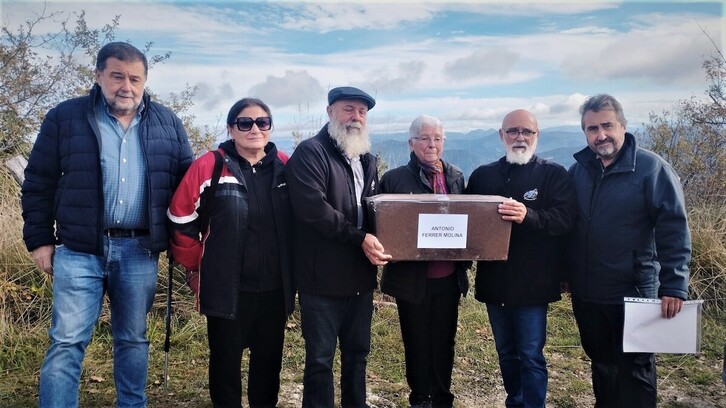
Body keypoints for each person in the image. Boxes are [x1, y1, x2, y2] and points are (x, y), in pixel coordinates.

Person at [21, 42, 194, 407]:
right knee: (67, 341)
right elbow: (39, 180)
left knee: (133, 338)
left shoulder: (167, 122)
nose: (125, 86)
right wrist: (39, 240)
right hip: (79, 249)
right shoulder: (64, 117)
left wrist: (186, 242)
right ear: (99, 75)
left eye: (135, 78)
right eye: (117, 76)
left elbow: (186, 186)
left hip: (139, 250)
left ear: (145, 81)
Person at [167, 98, 295, 407]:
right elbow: (180, 217)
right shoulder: (210, 165)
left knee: (268, 366)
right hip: (226, 288)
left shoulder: (284, 165)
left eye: (262, 122)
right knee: (225, 367)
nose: (254, 128)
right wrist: (199, 264)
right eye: (245, 122)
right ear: (231, 128)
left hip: (275, 289)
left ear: (270, 127)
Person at [568, 94, 691, 407]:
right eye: (592, 128)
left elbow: (674, 228)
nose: (600, 135)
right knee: (601, 363)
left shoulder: (651, 169)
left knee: (635, 369)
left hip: (634, 290)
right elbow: (570, 228)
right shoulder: (579, 171)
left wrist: (674, 285)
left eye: (607, 125)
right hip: (587, 292)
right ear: (585, 133)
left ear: (623, 125)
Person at [285, 86, 391, 407]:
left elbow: (371, 211)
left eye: (361, 112)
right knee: (320, 359)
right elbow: (312, 210)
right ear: (330, 112)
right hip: (321, 279)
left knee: (358, 354)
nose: (355, 117)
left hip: (359, 277)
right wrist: (361, 237)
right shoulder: (311, 153)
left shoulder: (367, 159)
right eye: (348, 109)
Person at [465, 109, 577, 407]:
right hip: (494, 283)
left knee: (530, 355)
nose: (520, 137)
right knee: (506, 353)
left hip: (534, 285)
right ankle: (515, 401)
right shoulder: (482, 176)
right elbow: (466, 224)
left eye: (527, 132)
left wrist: (529, 216)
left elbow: (565, 221)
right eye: (513, 131)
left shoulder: (553, 174)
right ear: (501, 136)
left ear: (537, 136)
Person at [378, 114, 469, 408]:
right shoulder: (393, 179)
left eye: (438, 139)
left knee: (445, 341)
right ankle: (420, 397)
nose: (432, 144)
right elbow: (384, 227)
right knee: (416, 341)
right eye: (425, 138)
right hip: (412, 279)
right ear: (411, 143)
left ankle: (443, 396)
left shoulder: (455, 176)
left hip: (448, 277)